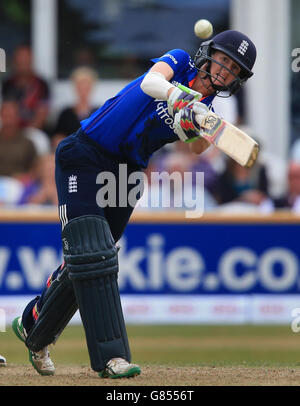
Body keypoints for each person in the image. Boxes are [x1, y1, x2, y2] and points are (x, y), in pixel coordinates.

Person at [12, 30, 256, 378]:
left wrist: (198, 121)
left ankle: (32, 324)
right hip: (86, 153)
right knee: (91, 252)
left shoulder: (205, 107)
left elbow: (197, 146)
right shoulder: (180, 61)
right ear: (209, 53)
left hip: (127, 175)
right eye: (224, 60)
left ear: (238, 79)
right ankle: (113, 358)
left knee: (94, 258)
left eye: (234, 69)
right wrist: (179, 98)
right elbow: (152, 84)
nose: (224, 71)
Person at [1, 45, 50, 131]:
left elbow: (42, 115)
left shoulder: (42, 84)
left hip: (33, 132)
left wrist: (26, 134)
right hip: (11, 131)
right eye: (20, 58)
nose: (23, 61)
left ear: (31, 60)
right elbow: (6, 113)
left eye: (26, 58)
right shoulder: (7, 84)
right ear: (15, 60)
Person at [51, 67, 98, 150]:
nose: (83, 89)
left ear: (91, 87)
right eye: (80, 86)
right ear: (75, 88)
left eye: (86, 86)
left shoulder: (99, 113)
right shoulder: (66, 113)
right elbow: (57, 138)